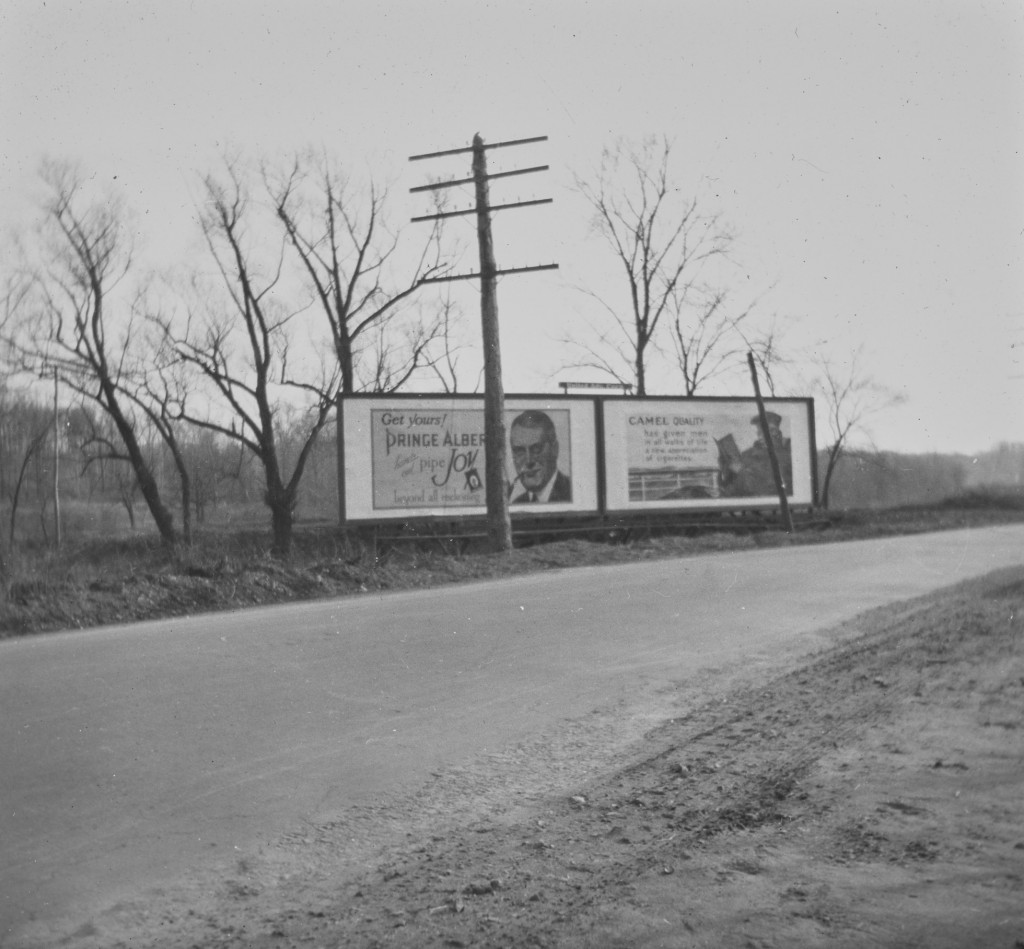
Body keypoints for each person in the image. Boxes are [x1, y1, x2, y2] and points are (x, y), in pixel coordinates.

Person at [719, 411, 793, 497]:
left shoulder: (786, 454)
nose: (760, 437)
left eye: (770, 431)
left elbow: (764, 488)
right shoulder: (748, 453)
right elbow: (734, 483)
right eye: (759, 432)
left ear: (776, 432)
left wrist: (741, 471)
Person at [507, 410, 572, 503]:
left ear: (555, 449)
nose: (528, 461)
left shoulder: (572, 493)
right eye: (520, 451)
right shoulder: (517, 503)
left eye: (536, 449)